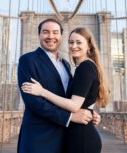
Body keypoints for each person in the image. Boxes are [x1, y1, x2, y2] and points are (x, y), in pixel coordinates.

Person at [17, 19, 100, 153]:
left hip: (66, 139)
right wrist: (70, 117)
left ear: (61, 36)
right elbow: (33, 102)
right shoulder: (28, 60)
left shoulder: (66, 65)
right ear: (39, 35)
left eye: (55, 32)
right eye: (45, 32)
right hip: (39, 140)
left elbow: (71, 98)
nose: (51, 36)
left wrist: (88, 111)